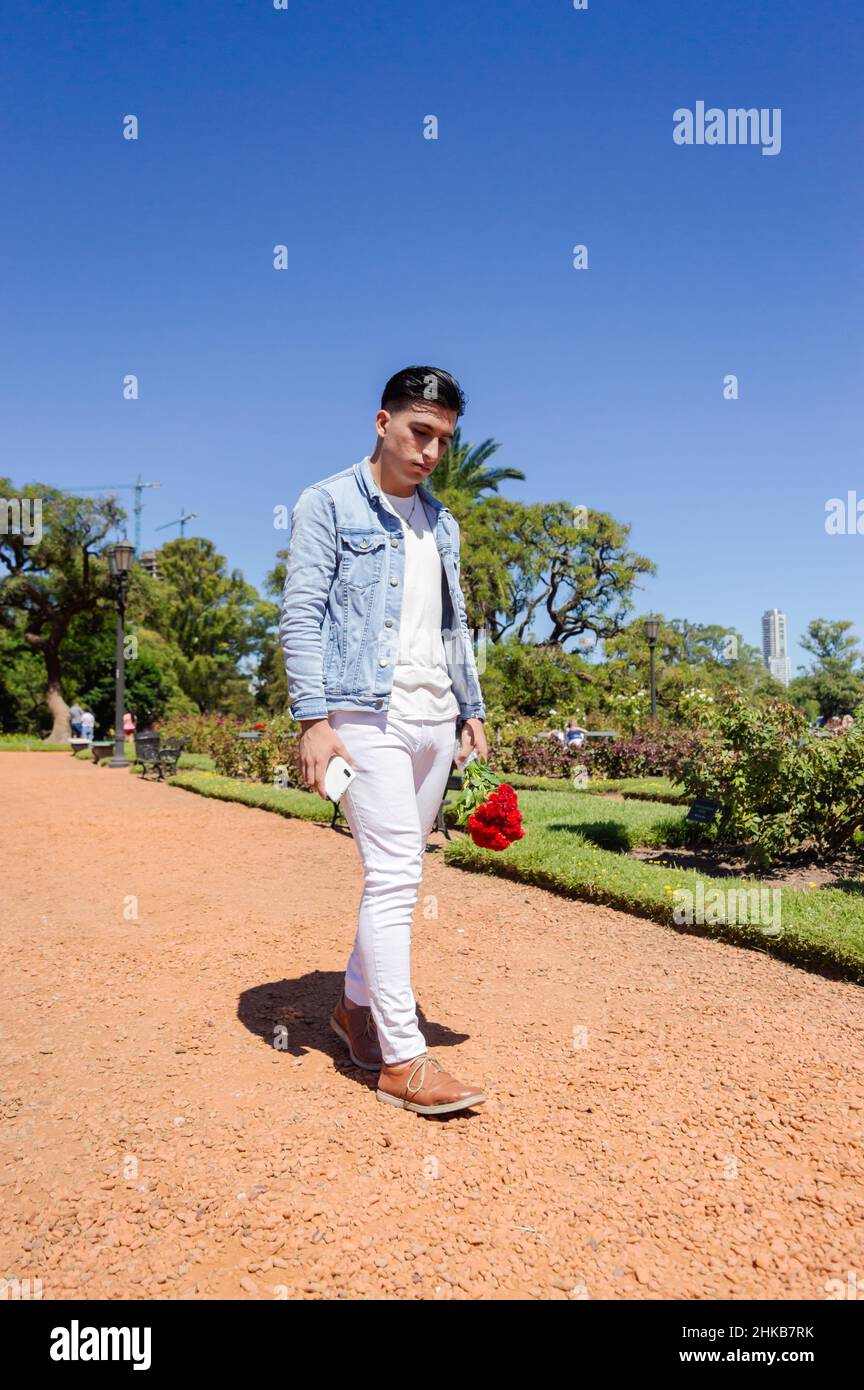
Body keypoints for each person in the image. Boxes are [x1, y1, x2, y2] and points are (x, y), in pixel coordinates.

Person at [279, 366, 489, 1117]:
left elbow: (451, 625)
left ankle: (351, 1011)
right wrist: (313, 719)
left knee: (404, 875)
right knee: (397, 872)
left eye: (444, 440)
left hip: (436, 721)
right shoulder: (328, 502)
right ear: (382, 422)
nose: (431, 452)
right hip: (364, 714)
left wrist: (472, 707)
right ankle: (403, 1059)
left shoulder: (443, 522)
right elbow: (301, 614)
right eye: (419, 433)